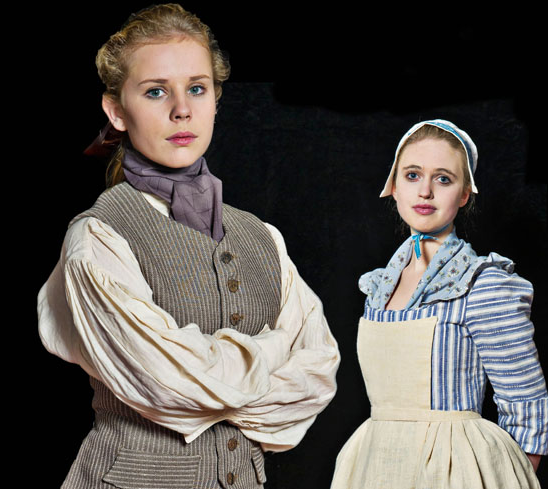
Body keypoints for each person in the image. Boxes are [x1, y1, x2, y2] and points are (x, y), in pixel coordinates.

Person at [37, 5, 340, 488]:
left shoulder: (262, 235)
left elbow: (318, 373)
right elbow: (164, 384)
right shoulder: (98, 237)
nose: (182, 109)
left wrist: (216, 380)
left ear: (215, 100)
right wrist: (274, 352)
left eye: (197, 88)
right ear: (116, 111)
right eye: (155, 91)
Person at [329, 120, 548, 489]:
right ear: (394, 186)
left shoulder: (483, 284)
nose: (425, 191)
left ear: (464, 194)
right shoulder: (377, 289)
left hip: (455, 472)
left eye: (443, 179)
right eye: (412, 175)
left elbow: (526, 404)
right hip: (376, 466)